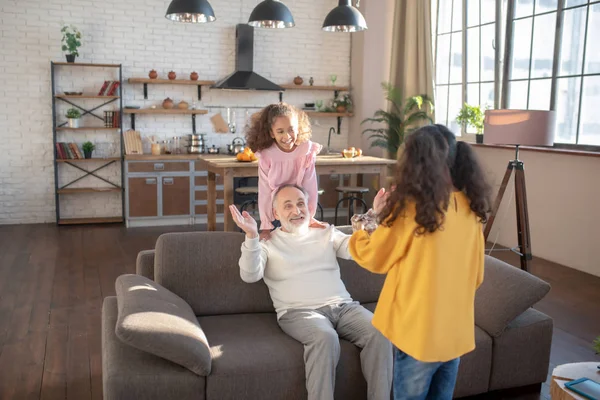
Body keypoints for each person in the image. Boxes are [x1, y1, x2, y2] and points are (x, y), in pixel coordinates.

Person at [348, 124, 492, 400]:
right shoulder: (470, 208)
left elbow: (375, 258)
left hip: (418, 333)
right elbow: (477, 275)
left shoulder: (411, 209)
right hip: (455, 332)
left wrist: (365, 227)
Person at [229, 184, 393, 400]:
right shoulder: (267, 242)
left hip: (344, 307)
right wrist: (251, 235)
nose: (296, 211)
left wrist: (376, 218)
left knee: (380, 333)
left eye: (300, 204)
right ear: (276, 213)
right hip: (299, 313)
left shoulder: (326, 231)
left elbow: (359, 250)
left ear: (310, 207)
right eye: (287, 206)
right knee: (325, 337)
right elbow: (250, 275)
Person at [245, 102, 324, 240]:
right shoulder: (267, 155)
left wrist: (310, 217)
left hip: (299, 209)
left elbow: (310, 186)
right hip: (277, 211)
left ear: (298, 128)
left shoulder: (306, 150)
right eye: (280, 131)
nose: (287, 137)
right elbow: (264, 191)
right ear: (272, 133)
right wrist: (265, 225)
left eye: (291, 130)